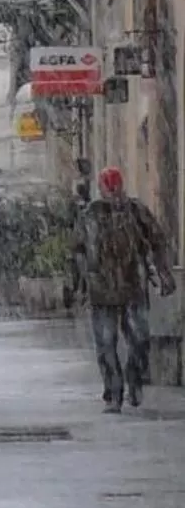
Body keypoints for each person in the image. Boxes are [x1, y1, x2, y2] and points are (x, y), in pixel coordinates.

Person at [73, 167, 173, 411]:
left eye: (116, 186)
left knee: (140, 338)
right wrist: (79, 284)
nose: (113, 192)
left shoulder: (136, 211)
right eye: (109, 187)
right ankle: (114, 393)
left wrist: (163, 272)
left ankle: (134, 377)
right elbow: (77, 250)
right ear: (102, 188)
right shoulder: (90, 215)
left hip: (132, 286)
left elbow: (157, 240)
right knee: (106, 343)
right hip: (101, 290)